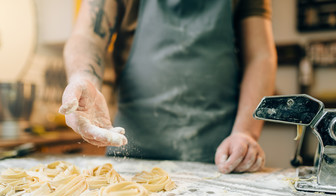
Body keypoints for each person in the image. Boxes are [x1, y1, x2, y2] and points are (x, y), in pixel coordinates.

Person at [59, 0, 277, 174]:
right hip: (131, 158)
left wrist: (246, 132)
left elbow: (261, 56)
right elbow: (87, 36)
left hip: (221, 157)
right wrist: (83, 77)